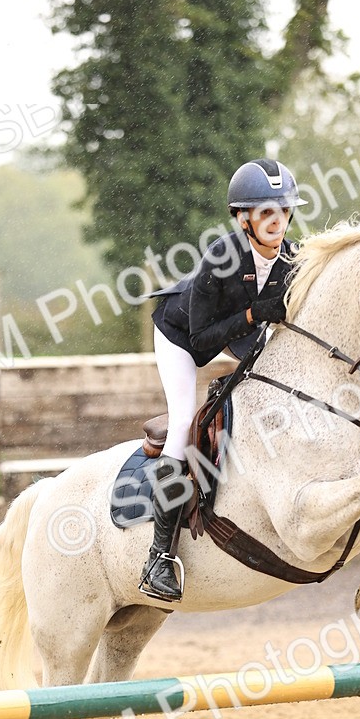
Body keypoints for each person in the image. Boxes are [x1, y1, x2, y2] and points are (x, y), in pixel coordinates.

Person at [139, 158, 306, 602]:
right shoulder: (221, 257)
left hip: (236, 336)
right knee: (182, 424)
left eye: (283, 211)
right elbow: (202, 339)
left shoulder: (292, 259)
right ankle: (158, 557)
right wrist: (252, 315)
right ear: (243, 218)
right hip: (181, 337)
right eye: (266, 212)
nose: (277, 221)